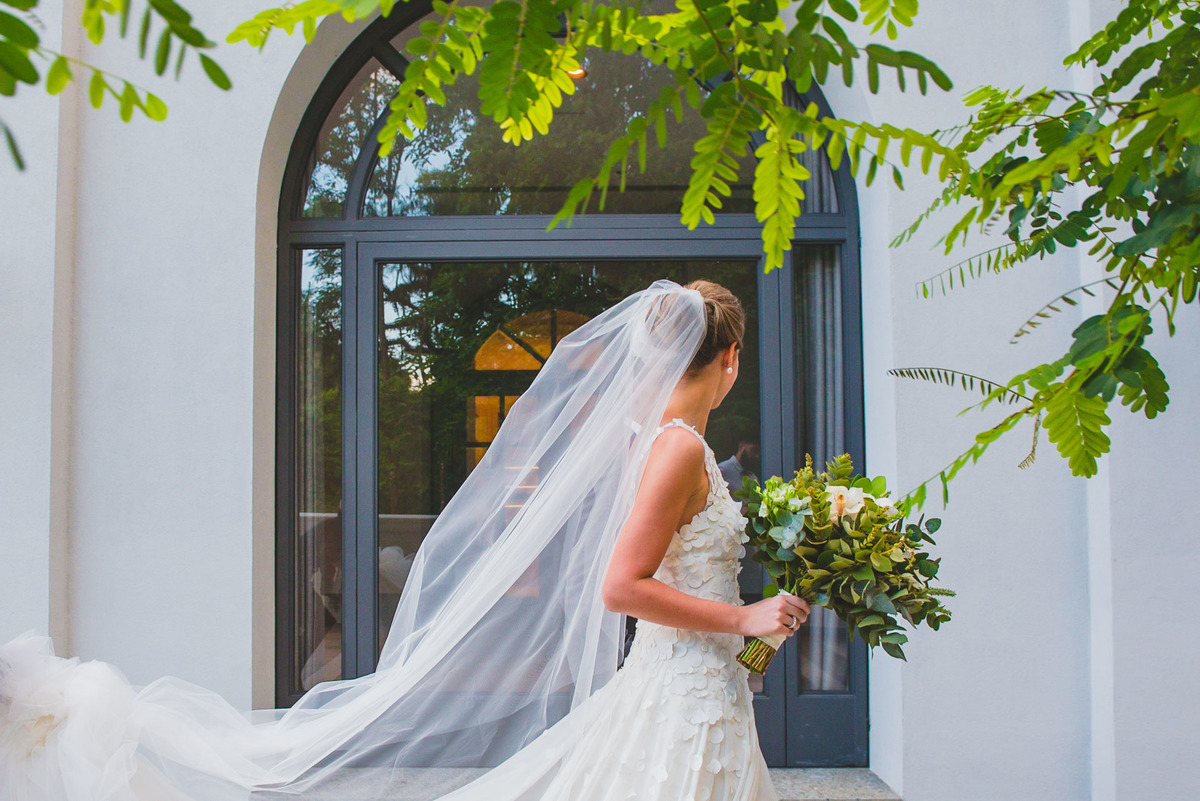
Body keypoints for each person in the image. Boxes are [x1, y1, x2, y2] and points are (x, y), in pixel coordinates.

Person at [0, 278, 810, 801]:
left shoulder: (660, 440)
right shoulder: (675, 447)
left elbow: (685, 585)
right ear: (731, 359)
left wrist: (753, 639)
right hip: (682, 693)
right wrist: (746, 620)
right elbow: (620, 585)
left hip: (703, 687)